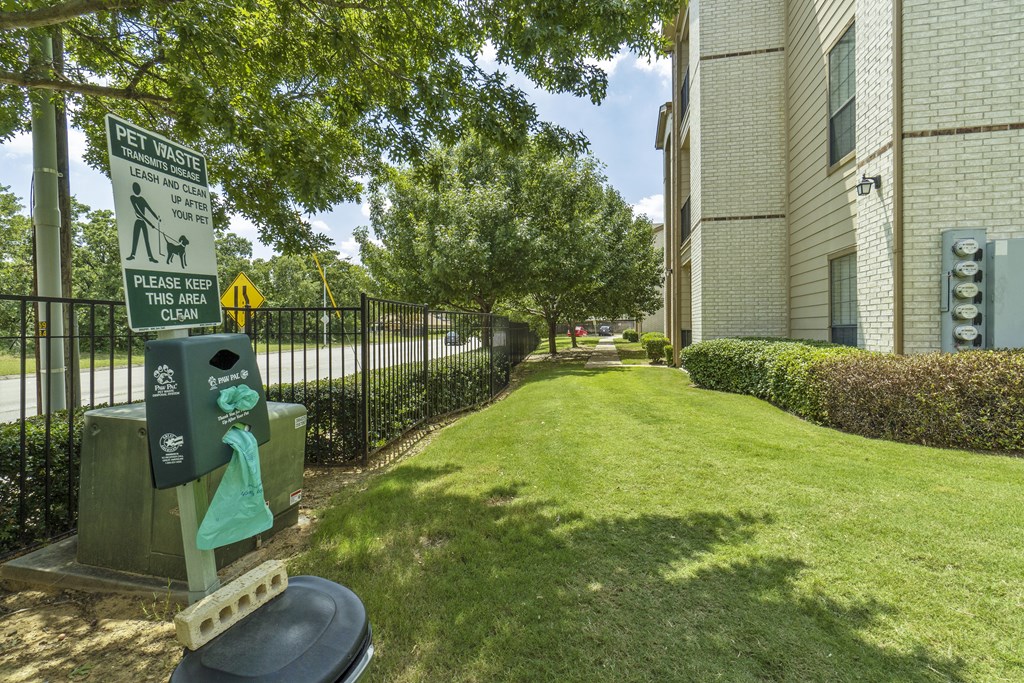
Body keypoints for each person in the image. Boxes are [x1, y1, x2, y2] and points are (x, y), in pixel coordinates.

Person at [126, 182, 160, 263]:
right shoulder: (132, 198)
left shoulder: (142, 199)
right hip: (138, 221)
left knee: (146, 240)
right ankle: (132, 255)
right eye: (136, 189)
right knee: (135, 239)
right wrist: (150, 223)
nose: (138, 190)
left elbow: (150, 209)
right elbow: (138, 212)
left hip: (143, 222)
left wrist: (157, 218)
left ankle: (150, 257)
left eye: (138, 189)